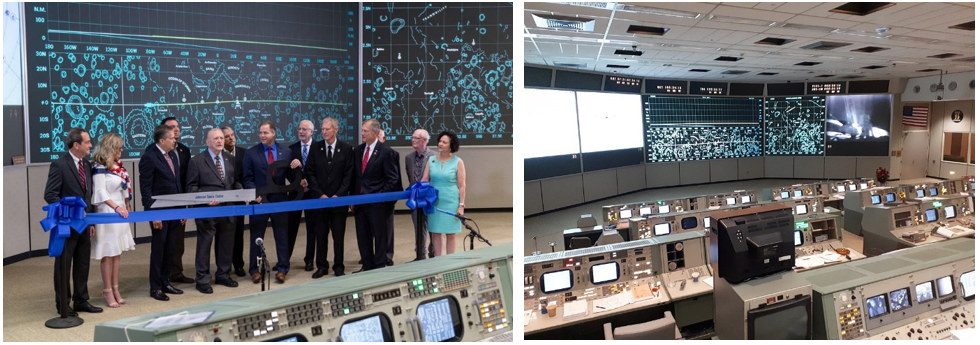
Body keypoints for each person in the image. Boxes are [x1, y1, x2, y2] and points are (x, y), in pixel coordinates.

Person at [43, 128, 104, 316]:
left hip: (85, 224)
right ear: (76, 144)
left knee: (82, 263)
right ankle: (63, 305)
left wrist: (91, 221)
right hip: (66, 226)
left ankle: (81, 300)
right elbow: (50, 195)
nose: (90, 145)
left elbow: (88, 195)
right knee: (64, 265)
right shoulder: (59, 165)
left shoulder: (87, 165)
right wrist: (69, 213)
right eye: (87, 142)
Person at [186, 129, 242, 294]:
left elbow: (235, 182)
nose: (220, 141)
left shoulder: (230, 158)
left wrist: (242, 194)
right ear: (207, 142)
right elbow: (191, 188)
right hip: (207, 211)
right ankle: (202, 279)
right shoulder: (196, 161)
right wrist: (205, 199)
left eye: (221, 138)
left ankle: (223, 275)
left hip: (228, 209)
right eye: (215, 138)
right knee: (204, 245)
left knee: (226, 244)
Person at [139, 125, 185, 301]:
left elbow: (177, 183)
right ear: (162, 140)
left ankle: (166, 282)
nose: (175, 140)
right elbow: (145, 189)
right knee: (159, 249)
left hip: (174, 211)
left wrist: (182, 209)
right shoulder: (149, 157)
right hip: (159, 212)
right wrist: (152, 214)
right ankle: (156, 287)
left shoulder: (173, 154)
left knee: (170, 249)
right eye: (172, 138)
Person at [243, 121, 293, 284]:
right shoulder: (251, 153)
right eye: (260, 133)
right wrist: (255, 194)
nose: (262, 136)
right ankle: (255, 270)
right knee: (256, 236)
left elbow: (291, 177)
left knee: (282, 235)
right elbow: (248, 179)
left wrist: (299, 168)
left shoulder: (286, 152)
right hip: (259, 202)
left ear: (274, 133)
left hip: (280, 200)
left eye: (265, 133)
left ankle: (283, 269)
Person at [90, 133, 136, 308]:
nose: (121, 150)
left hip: (120, 211)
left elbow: (124, 189)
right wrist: (116, 207)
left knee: (116, 253)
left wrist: (126, 203)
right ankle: (107, 290)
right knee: (107, 253)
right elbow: (100, 192)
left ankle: (116, 288)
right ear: (110, 149)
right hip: (107, 211)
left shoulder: (118, 167)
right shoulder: (99, 167)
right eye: (118, 148)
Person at [306, 117, 354, 278]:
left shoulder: (346, 149)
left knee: (338, 236)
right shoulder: (315, 148)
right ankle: (321, 266)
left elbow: (348, 175)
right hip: (320, 201)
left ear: (335, 130)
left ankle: (338, 266)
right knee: (321, 235)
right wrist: (321, 194)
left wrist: (337, 196)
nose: (324, 132)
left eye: (327, 129)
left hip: (338, 202)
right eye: (323, 129)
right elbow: (310, 173)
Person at [352, 119, 400, 272]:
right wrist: (353, 198)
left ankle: (379, 266)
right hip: (360, 202)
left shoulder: (386, 152)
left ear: (375, 132)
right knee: (363, 236)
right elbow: (356, 177)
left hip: (377, 204)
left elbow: (393, 178)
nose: (362, 134)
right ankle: (366, 265)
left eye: (365, 131)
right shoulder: (358, 150)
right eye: (362, 130)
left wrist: (381, 196)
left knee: (380, 237)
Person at [421, 131, 466, 256]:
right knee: (436, 232)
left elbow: (462, 185)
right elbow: (424, 180)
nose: (440, 144)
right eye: (440, 141)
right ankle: (438, 260)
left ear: (451, 146)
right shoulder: (431, 160)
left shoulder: (458, 161)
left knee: (451, 233)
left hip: (451, 200)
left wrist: (461, 205)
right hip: (434, 201)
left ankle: (450, 262)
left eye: (444, 142)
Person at [161, 117, 193, 285]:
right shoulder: (155, 151)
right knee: (163, 241)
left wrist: (187, 202)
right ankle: (163, 275)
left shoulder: (184, 150)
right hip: (163, 203)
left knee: (178, 241)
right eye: (172, 127)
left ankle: (176, 273)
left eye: (177, 126)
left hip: (181, 201)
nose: (176, 129)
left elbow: (187, 177)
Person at [286, 120, 318, 272]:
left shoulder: (319, 148)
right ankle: (284, 260)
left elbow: (321, 171)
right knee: (290, 228)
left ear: (312, 132)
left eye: (305, 129)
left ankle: (309, 260)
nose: (301, 132)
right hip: (295, 194)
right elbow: (287, 172)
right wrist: (298, 182)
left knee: (312, 228)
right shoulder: (291, 149)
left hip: (312, 194)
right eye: (299, 129)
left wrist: (308, 182)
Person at [404, 129, 436, 261]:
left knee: (433, 228)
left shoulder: (434, 157)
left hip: (430, 199)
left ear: (424, 140)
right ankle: (420, 255)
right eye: (412, 137)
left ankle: (434, 253)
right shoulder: (409, 158)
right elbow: (410, 176)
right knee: (418, 227)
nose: (413, 140)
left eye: (416, 138)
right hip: (415, 199)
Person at [221, 126, 248, 277]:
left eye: (232, 135)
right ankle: (223, 267)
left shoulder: (245, 153)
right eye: (227, 136)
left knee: (238, 234)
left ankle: (238, 264)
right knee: (223, 235)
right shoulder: (217, 155)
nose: (231, 138)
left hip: (238, 201)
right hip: (222, 202)